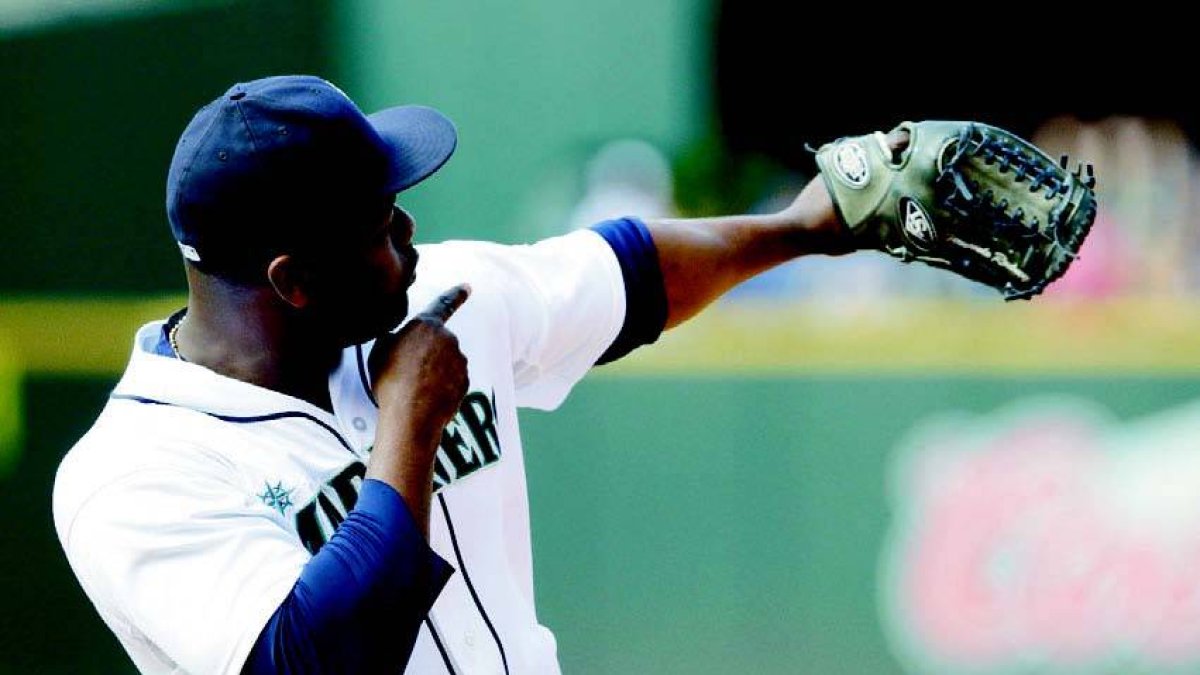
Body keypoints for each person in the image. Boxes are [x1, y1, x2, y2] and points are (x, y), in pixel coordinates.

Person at [51, 74, 891, 674]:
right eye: (380, 223)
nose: (410, 230)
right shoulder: (131, 480)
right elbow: (317, 657)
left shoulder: (438, 299)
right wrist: (409, 425)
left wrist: (806, 229)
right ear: (293, 281)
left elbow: (628, 272)